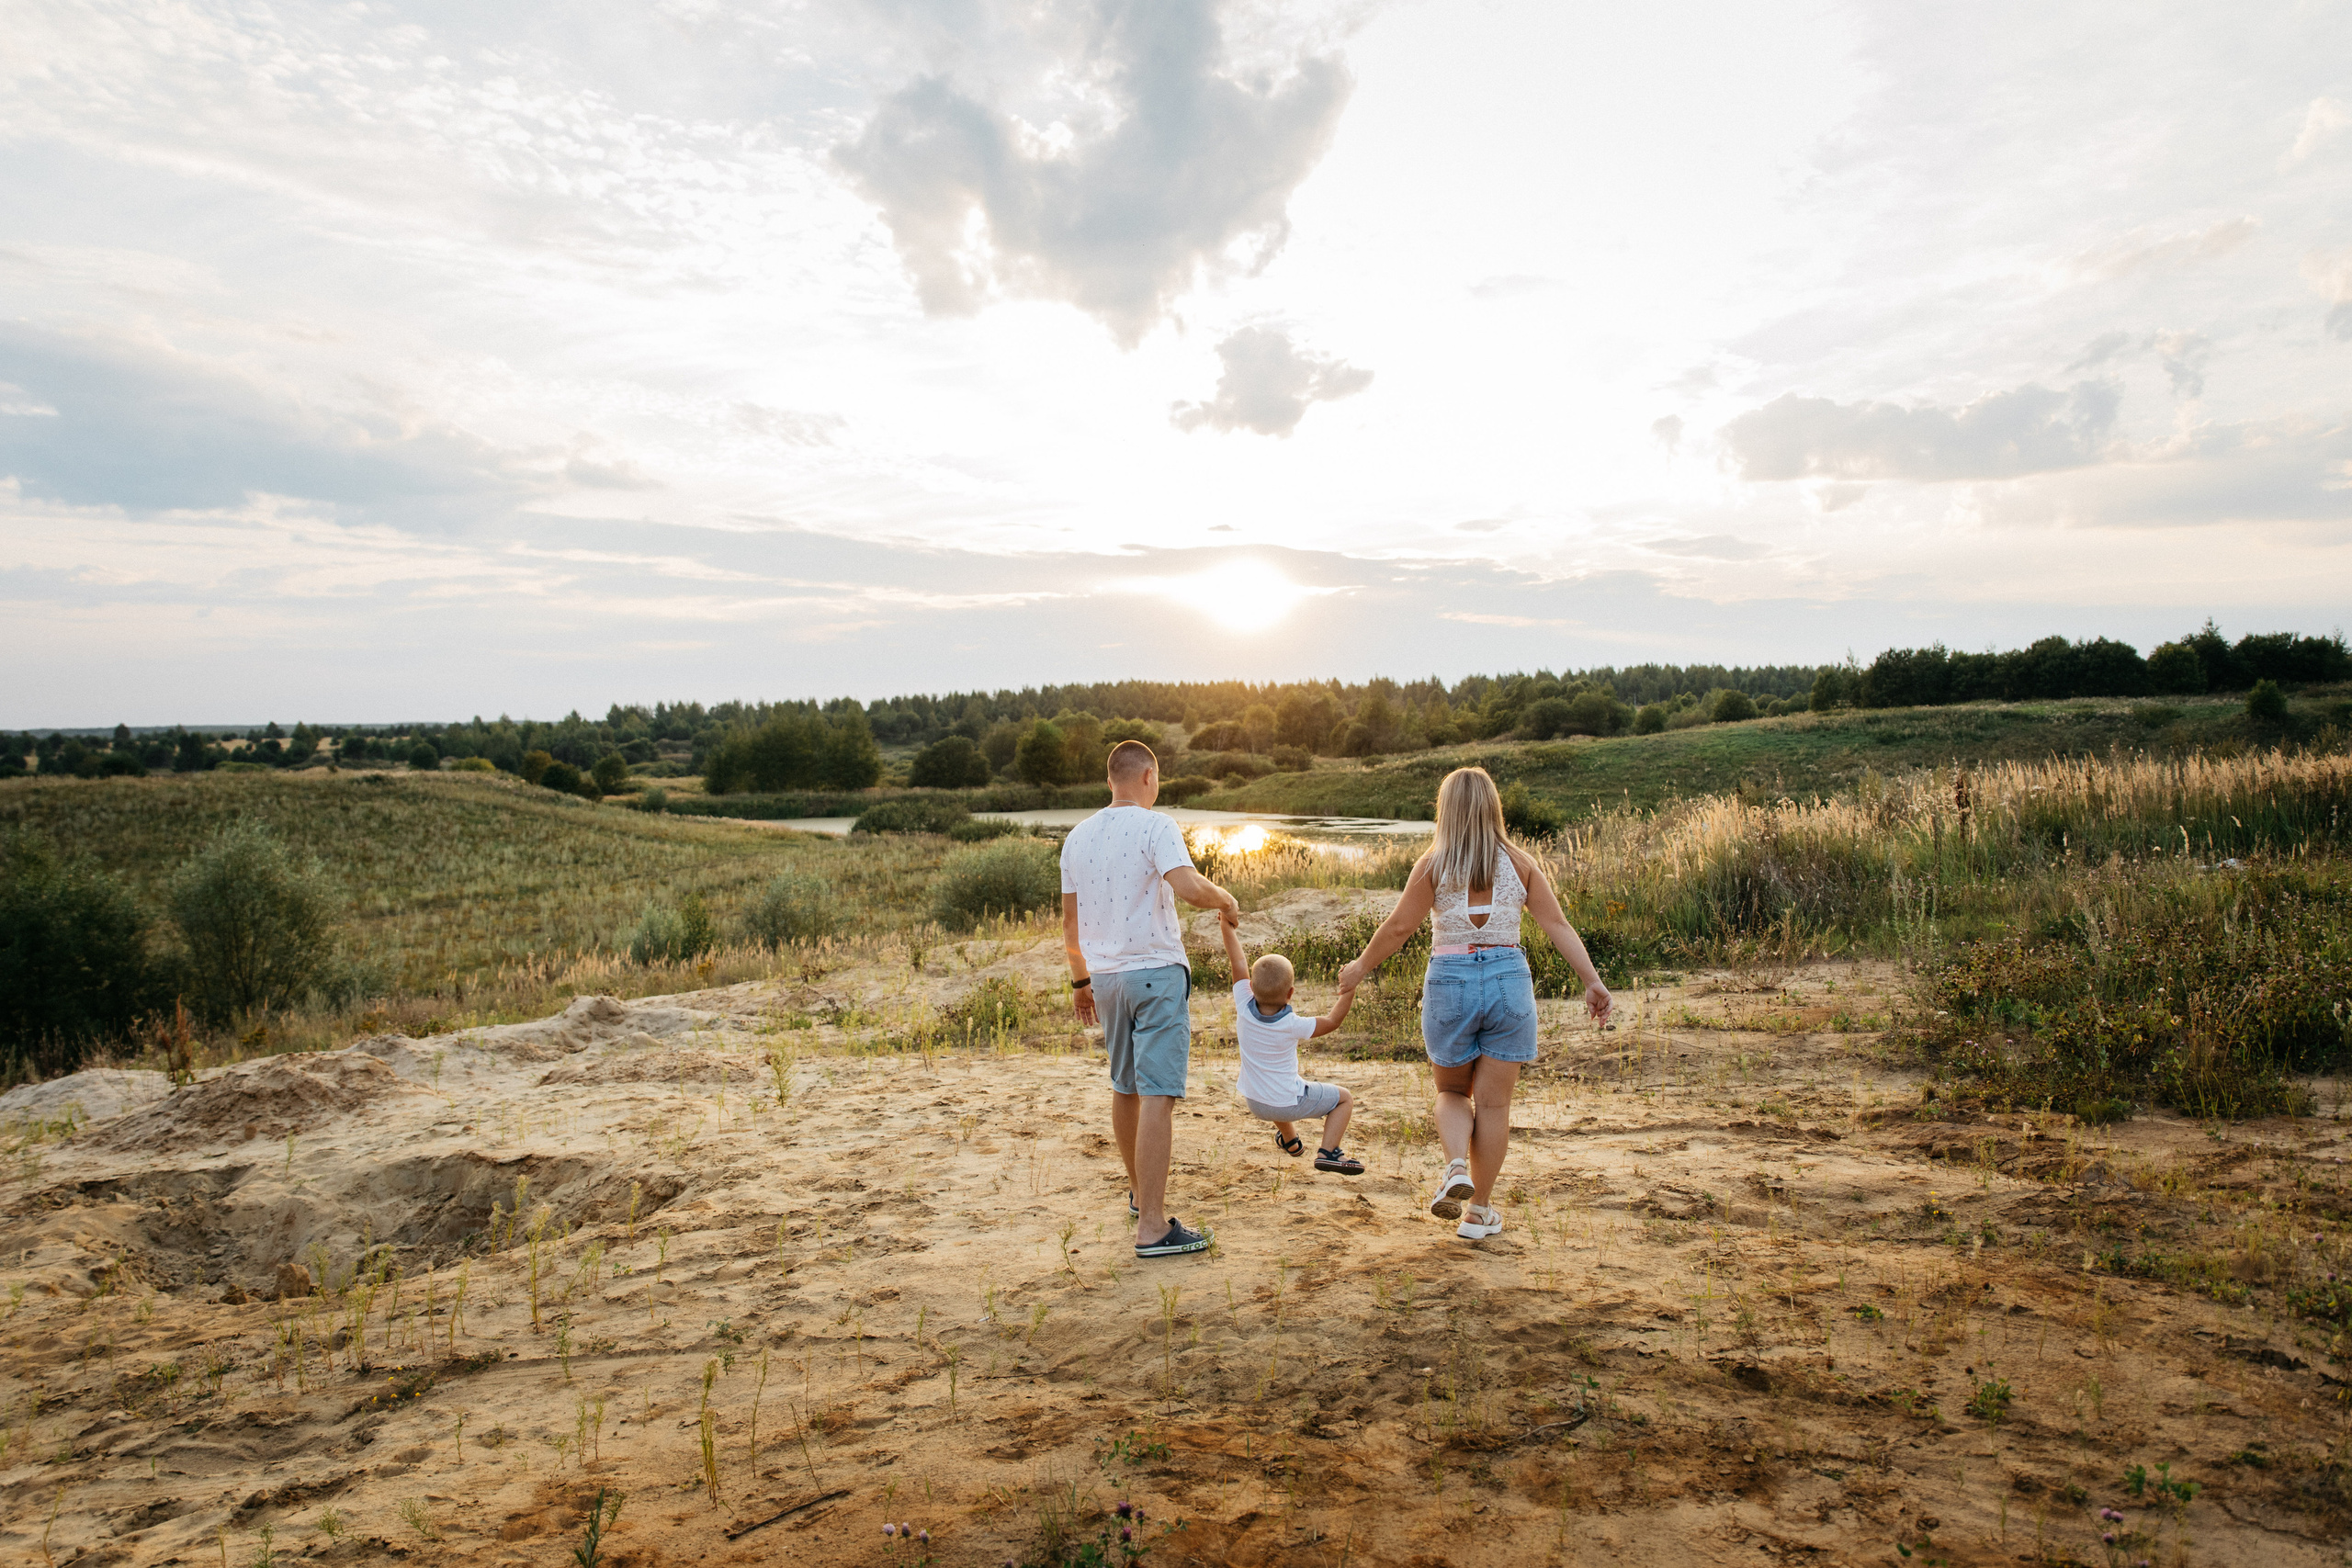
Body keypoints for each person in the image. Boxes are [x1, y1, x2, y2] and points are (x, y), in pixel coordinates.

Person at [1339, 767, 1611, 1240]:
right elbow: (1558, 926)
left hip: (1451, 980)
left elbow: (1400, 929)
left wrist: (1359, 967)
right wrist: (1592, 981)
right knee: (1495, 1107)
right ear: (1493, 807)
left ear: (1447, 811)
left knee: (1451, 1094)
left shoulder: (1433, 864)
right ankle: (1478, 1212)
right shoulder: (1521, 862)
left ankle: (1456, 1167)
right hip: (1509, 980)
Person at [1063, 739, 1240, 1258]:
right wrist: (1226, 899)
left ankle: (1142, 1197)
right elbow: (1186, 885)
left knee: (1126, 1086)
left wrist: (1080, 982)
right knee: (1159, 1092)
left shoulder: (1077, 836)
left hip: (1107, 979)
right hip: (1155, 973)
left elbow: (1071, 927)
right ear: (1147, 778)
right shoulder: (1155, 824)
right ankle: (1154, 1230)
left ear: (1110, 780)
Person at [1218, 915, 1364, 1175]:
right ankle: (1329, 1152)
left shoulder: (1243, 1005)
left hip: (1255, 1101)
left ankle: (1290, 1140)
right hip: (1286, 1103)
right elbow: (1332, 1021)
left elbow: (1237, 961)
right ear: (1290, 993)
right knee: (1344, 1100)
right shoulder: (1292, 1024)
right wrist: (1349, 989)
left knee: (1274, 1089)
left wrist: (1225, 926)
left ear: (1250, 987)